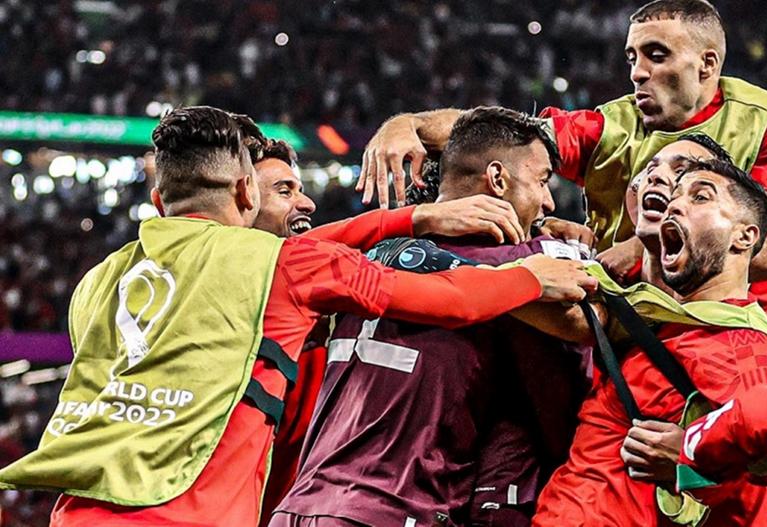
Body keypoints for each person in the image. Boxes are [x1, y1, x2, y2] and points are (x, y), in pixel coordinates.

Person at [0, 106, 595, 527]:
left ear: (159, 200)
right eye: (281, 191)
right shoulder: (281, 269)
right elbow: (452, 300)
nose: (303, 203)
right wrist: (532, 277)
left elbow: (288, 251)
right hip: (197, 514)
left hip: (76, 513)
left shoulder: (97, 282)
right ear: (245, 193)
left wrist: (411, 219)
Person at [355, 1, 767, 522]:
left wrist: (633, 248)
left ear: (707, 64)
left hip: (744, 354)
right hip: (629, 356)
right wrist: (409, 125)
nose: (638, 72)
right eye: (632, 58)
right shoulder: (612, 126)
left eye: (656, 55)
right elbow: (510, 142)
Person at [273, 107, 591, 527]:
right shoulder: (519, 263)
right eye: (542, 181)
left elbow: (276, 257)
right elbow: (585, 340)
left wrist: (409, 136)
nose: (548, 202)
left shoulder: (360, 257)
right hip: (394, 511)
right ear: (497, 180)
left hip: (299, 506)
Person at [533, 156, 767, 526]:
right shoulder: (663, 319)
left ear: (744, 236)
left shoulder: (742, 341)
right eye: (676, 195)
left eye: (700, 197)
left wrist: (690, 455)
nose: (675, 203)